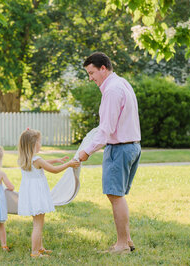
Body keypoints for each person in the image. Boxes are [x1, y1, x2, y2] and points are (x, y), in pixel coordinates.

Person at [78, 52, 141, 255]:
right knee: (118, 195)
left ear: (103, 68)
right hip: (132, 146)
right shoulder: (122, 83)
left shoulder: (112, 91)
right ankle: (127, 241)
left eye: (92, 73)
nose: (90, 78)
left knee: (115, 195)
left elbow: (105, 130)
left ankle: (121, 245)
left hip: (120, 148)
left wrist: (86, 152)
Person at [17, 129, 80, 258]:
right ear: (33, 144)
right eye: (39, 142)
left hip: (31, 193)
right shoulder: (37, 159)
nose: (40, 144)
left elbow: (43, 164)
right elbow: (54, 171)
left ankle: (40, 248)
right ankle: (35, 252)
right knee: (38, 224)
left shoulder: (26, 159)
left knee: (39, 221)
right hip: (38, 193)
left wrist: (56, 160)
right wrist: (68, 164)